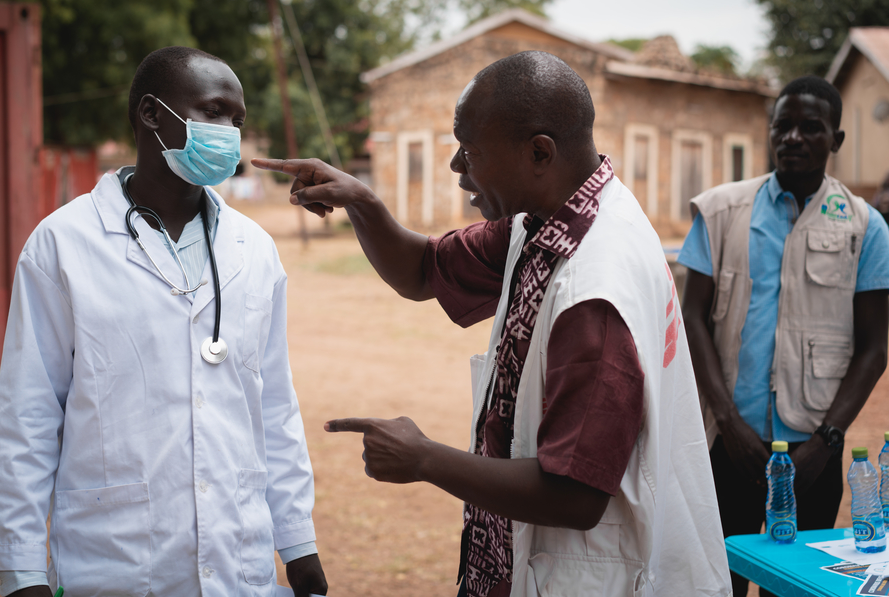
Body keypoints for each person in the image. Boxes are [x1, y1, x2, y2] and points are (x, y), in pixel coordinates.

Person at [253, 51, 732, 597]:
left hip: (592, 577)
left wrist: (424, 457)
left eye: (470, 151)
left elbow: (573, 496)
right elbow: (422, 270)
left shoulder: (593, 291)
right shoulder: (547, 222)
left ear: (538, 152)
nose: (458, 169)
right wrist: (361, 201)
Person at [0, 46, 327, 597]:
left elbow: (273, 405)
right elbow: (28, 415)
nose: (228, 133)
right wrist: (20, 571)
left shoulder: (254, 250)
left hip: (238, 561)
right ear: (151, 114)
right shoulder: (62, 245)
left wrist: (298, 540)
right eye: (213, 112)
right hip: (114, 562)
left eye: (237, 121)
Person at [680, 76, 889, 597]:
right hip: (727, 443)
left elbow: (874, 349)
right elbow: (693, 319)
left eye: (810, 127)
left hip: (812, 455)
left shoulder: (866, 227)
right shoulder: (721, 212)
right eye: (783, 125)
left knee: (794, 585)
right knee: (718, 580)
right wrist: (728, 422)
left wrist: (826, 442)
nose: (793, 137)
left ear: (836, 140)